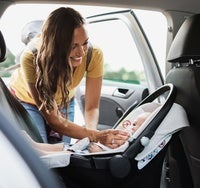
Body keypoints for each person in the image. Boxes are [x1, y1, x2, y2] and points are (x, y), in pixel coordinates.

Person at [9, 7, 129, 146]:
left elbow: (91, 108)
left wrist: (92, 138)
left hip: (64, 100)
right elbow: (54, 120)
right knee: (41, 152)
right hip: (27, 101)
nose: (81, 52)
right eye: (73, 46)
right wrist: (96, 136)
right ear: (55, 45)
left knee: (64, 151)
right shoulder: (31, 57)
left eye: (84, 43)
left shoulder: (93, 54)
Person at [22, 111, 152, 155]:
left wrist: (100, 152)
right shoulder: (124, 135)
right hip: (87, 146)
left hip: (89, 153)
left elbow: (117, 153)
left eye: (135, 125)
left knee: (67, 153)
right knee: (62, 146)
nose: (131, 126)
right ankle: (35, 145)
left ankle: (39, 153)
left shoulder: (130, 142)